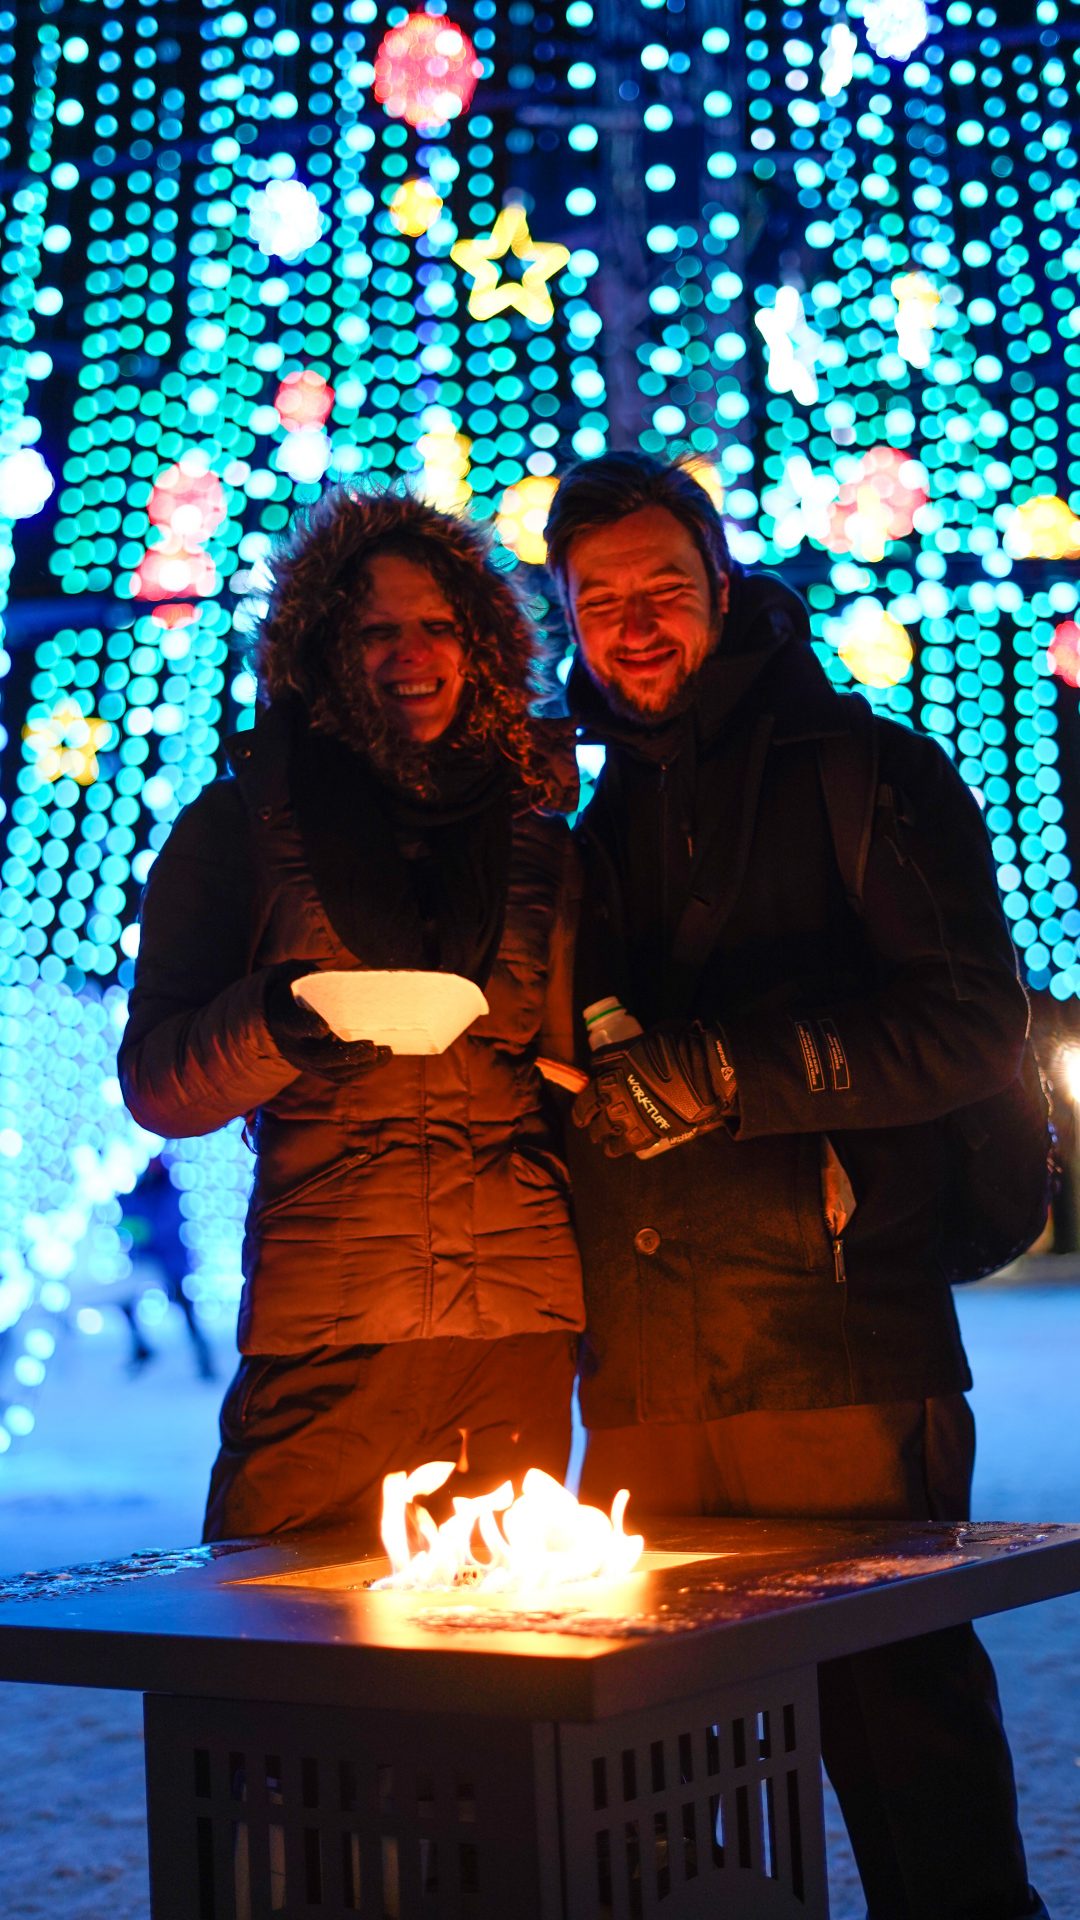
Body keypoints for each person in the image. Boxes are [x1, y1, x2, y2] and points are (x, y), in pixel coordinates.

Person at [544, 451, 1047, 1920]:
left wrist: (727, 1075)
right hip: (641, 1369)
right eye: (599, 602)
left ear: (721, 584)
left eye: (663, 592)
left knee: (903, 1752)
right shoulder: (585, 823)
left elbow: (968, 1022)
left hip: (834, 1340)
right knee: (671, 1782)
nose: (634, 628)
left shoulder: (863, 769)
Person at [119, 487, 583, 1543]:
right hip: (326, 1332)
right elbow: (156, 1082)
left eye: (436, 627)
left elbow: (568, 1061)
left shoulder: (539, 839)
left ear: (483, 645)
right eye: (376, 630)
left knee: (496, 1676)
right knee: (285, 1657)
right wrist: (276, 1024)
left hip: (514, 1337)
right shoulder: (239, 825)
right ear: (324, 649)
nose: (409, 655)